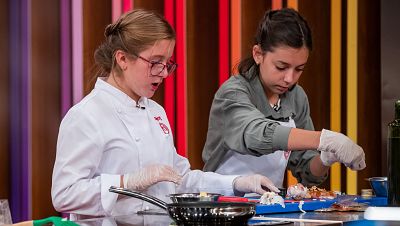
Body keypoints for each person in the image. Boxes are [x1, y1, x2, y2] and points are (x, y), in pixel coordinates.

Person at [51, 9, 278, 220]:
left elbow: (180, 179)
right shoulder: (86, 115)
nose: (163, 73)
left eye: (167, 63)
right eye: (155, 62)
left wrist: (238, 182)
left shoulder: (155, 111)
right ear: (122, 59)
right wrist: (126, 182)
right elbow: (64, 194)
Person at [202, 8, 366, 189]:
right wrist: (325, 139)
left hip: (268, 209)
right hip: (222, 207)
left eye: (299, 69)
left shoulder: (297, 97)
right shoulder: (233, 93)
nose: (289, 78)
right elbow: (257, 134)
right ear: (258, 54)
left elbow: (306, 172)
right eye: (281, 67)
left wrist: (325, 158)